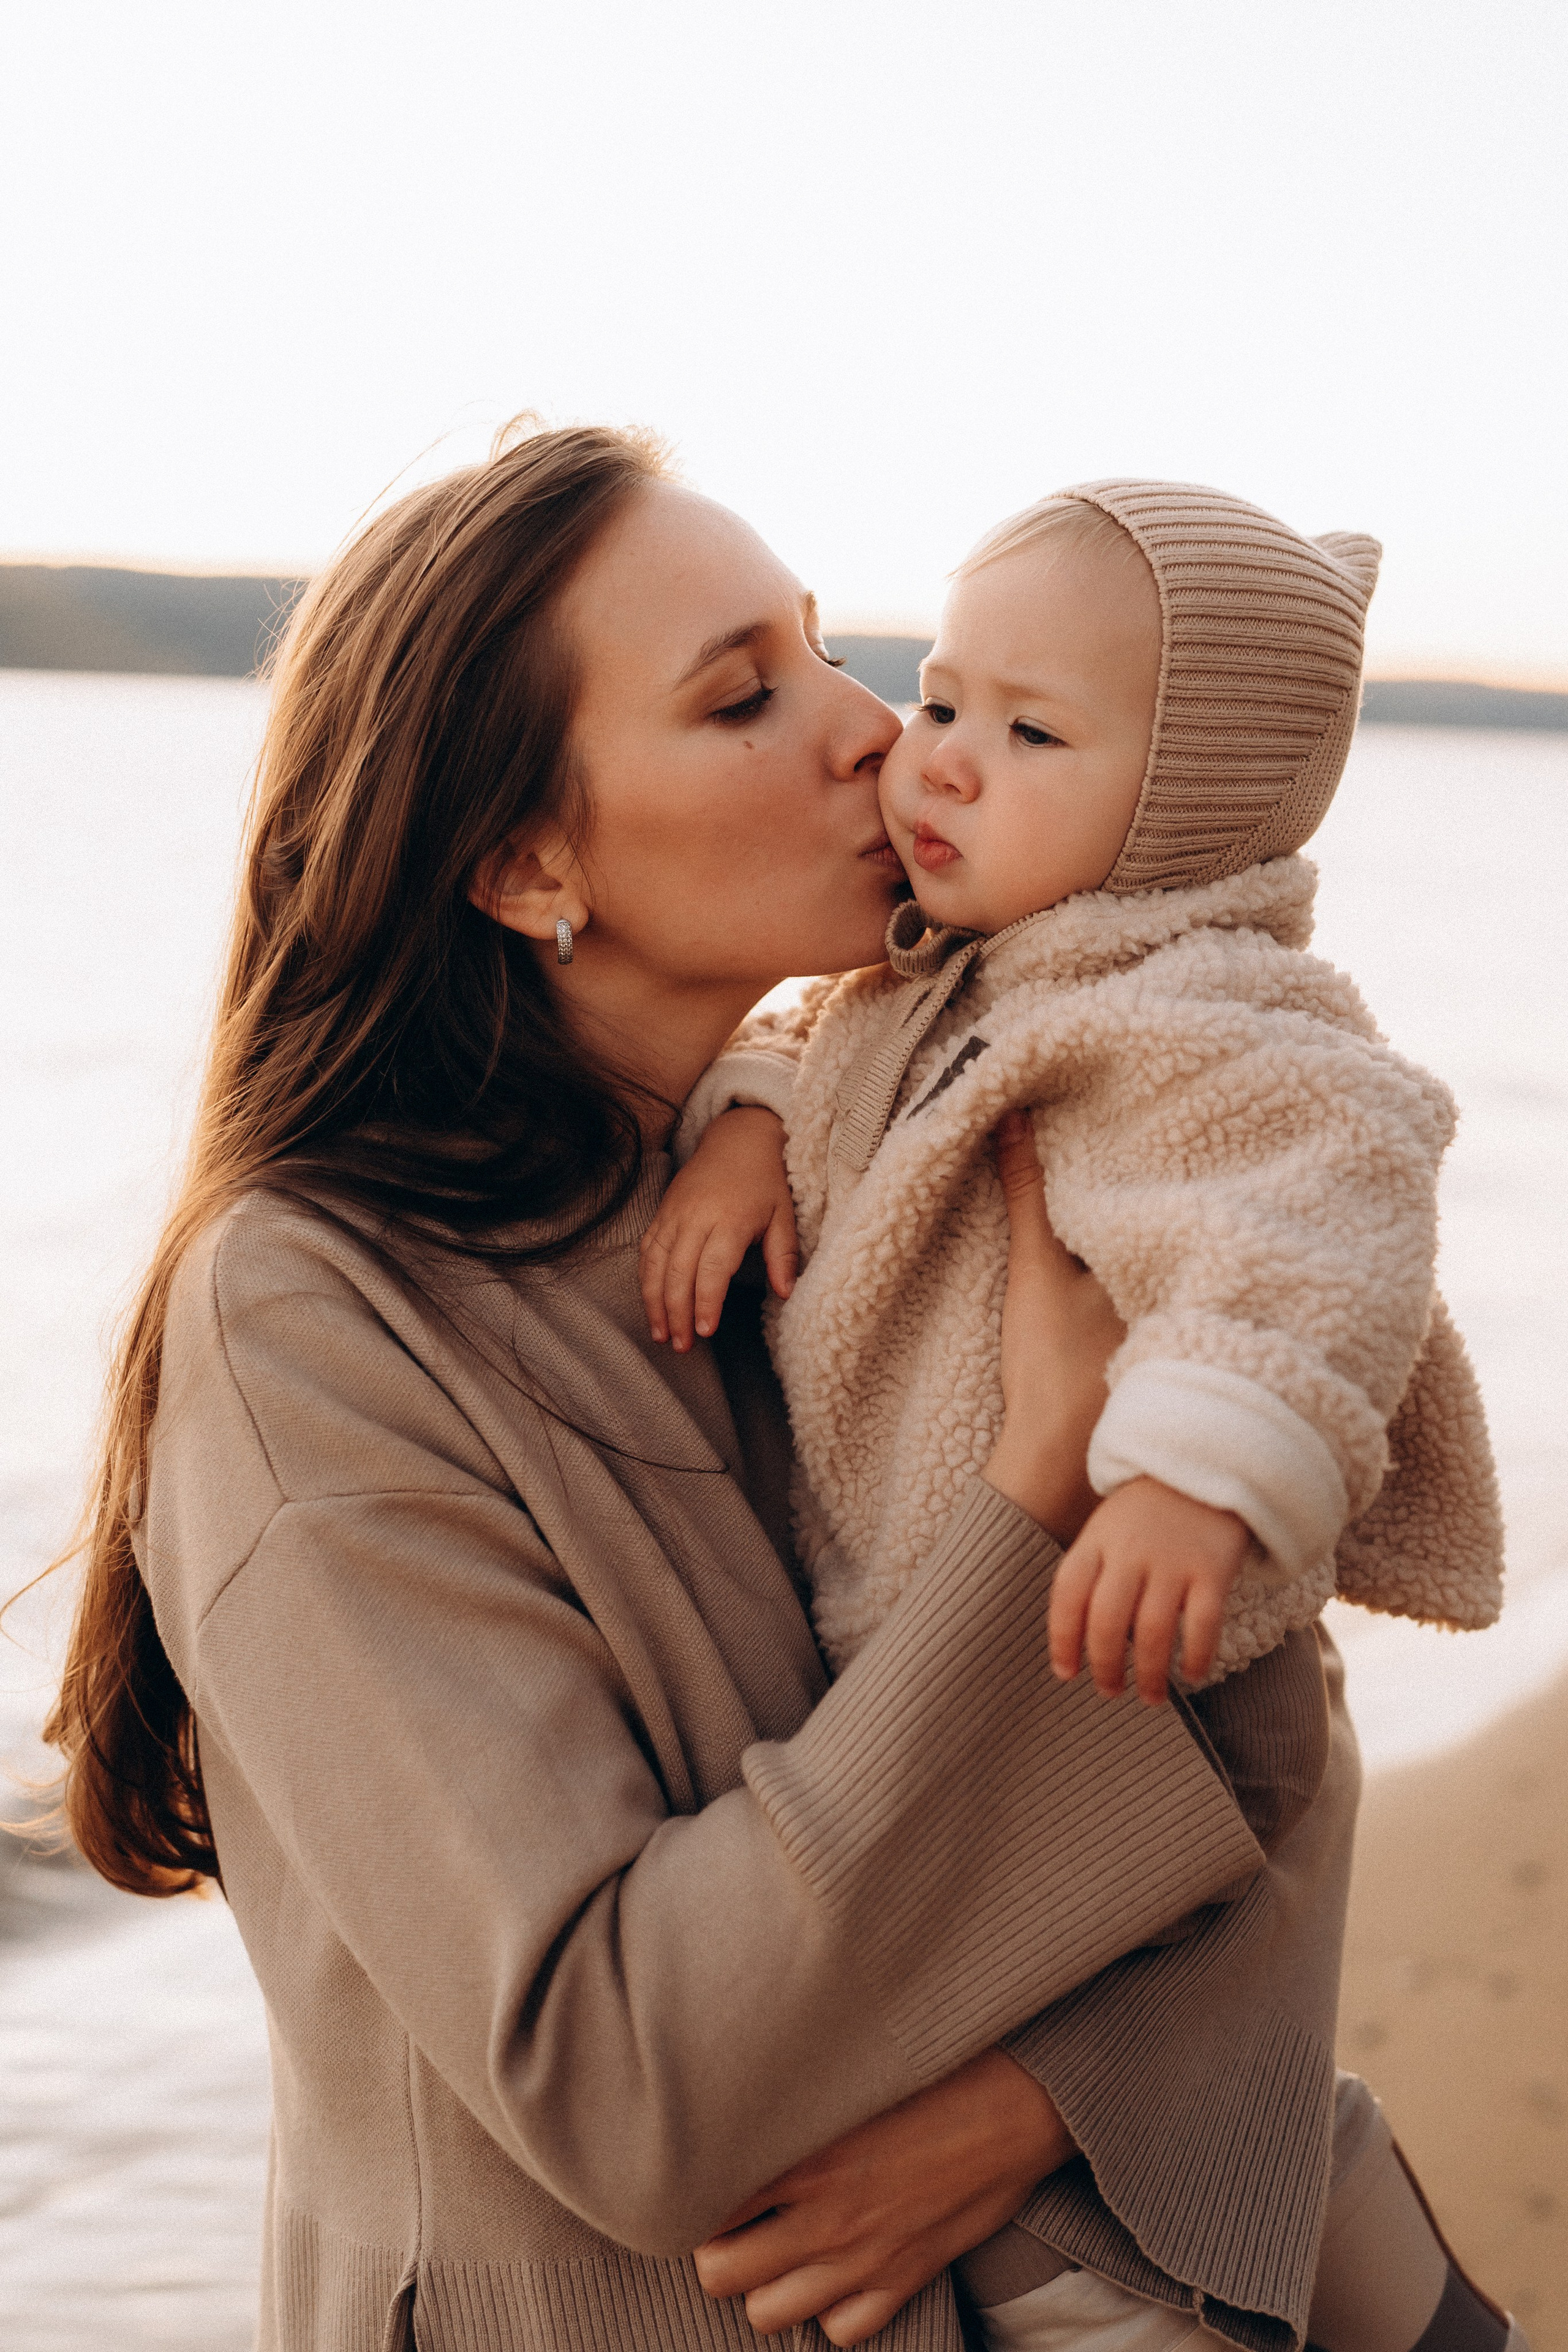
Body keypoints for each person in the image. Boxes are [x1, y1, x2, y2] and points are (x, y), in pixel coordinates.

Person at [37, 426, 1476, 2352]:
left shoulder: (869, 1165)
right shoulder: (312, 1316)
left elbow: (1260, 1721)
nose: (876, 734)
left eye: (825, 652)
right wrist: (1034, 1498)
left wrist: (1053, 2095)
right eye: (743, 698)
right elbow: (620, 2082)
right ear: (527, 863)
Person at [642, 480, 1517, 2351]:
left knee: (1088, 2224)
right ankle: (1352, 2232)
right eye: (944, 696)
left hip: (1143, 1633)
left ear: (1186, 805)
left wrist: (1197, 1473)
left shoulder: (1208, 1013)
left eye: (1032, 734)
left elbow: (1320, 1214)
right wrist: (743, 1127)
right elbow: (817, 1048)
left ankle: (1252, 2250)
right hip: (999, 1646)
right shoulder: (948, 968)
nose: (941, 759)